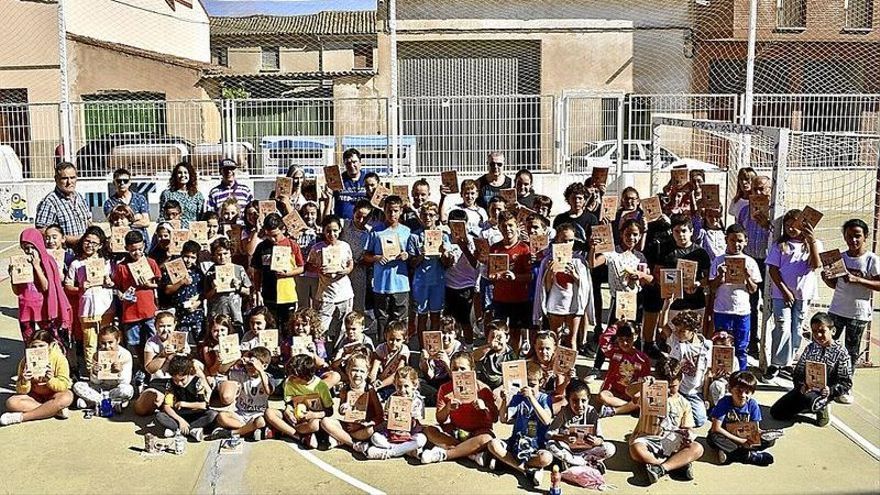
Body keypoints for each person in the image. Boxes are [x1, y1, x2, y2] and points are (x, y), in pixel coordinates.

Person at [822, 218, 880, 401]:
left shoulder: (871, 259)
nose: (853, 240)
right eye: (849, 236)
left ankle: (845, 387)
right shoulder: (840, 258)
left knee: (851, 352)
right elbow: (835, 284)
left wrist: (859, 280)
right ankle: (824, 383)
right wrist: (826, 278)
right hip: (837, 310)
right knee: (827, 347)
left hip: (858, 314)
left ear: (865, 237)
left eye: (857, 236)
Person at [765, 209, 822, 380]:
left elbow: (815, 264)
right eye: (787, 225)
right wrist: (784, 291)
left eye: (794, 225)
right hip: (781, 294)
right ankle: (776, 363)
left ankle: (788, 362)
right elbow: (773, 270)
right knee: (782, 325)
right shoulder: (780, 245)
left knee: (797, 327)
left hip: (803, 294)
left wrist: (811, 242)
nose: (790, 228)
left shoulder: (813, 244)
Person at [629, 357, 704, 485]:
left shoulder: (684, 403)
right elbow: (629, 392)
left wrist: (688, 435)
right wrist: (643, 384)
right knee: (636, 450)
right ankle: (676, 464)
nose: (669, 390)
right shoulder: (650, 393)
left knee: (698, 448)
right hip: (648, 438)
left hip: (671, 440)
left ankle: (661, 468)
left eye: (673, 386)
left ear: (681, 380)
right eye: (666, 386)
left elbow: (687, 428)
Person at [770, 312, 852, 427]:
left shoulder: (841, 353)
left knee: (811, 403)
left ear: (832, 331)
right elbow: (798, 371)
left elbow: (846, 382)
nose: (818, 335)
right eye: (814, 332)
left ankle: (822, 407)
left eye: (822, 331)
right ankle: (806, 406)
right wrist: (801, 384)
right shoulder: (810, 348)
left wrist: (831, 390)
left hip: (825, 391)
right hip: (806, 388)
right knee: (776, 413)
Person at [420, 352, 499, 465]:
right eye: (455, 369)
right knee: (429, 430)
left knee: (486, 439)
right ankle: (470, 453)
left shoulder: (483, 389)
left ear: (472, 370)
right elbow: (440, 419)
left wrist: (484, 407)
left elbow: (495, 418)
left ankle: (445, 454)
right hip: (455, 430)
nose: (459, 372)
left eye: (463, 368)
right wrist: (447, 408)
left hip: (478, 432)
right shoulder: (445, 388)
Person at [486, 361, 554, 486]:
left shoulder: (544, 398)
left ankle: (506, 462)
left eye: (532, 385)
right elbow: (504, 419)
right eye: (526, 384)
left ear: (541, 382)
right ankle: (526, 470)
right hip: (516, 442)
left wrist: (531, 398)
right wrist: (505, 401)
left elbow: (546, 420)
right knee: (492, 444)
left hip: (536, 445)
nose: (528, 388)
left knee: (546, 458)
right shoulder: (518, 397)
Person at [710, 224, 762, 371]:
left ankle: (741, 376)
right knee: (721, 345)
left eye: (739, 240)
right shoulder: (719, 261)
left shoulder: (750, 262)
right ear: (726, 240)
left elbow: (753, 289)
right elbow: (712, 287)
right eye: (732, 240)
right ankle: (721, 375)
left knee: (741, 347)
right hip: (722, 310)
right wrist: (720, 275)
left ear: (746, 241)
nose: (736, 244)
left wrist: (747, 277)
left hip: (742, 312)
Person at [64, 226, 114, 376]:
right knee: (90, 343)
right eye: (87, 241)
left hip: (106, 306)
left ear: (100, 246)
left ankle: (110, 370)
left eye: (94, 243)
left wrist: (109, 282)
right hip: (87, 308)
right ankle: (93, 372)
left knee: (108, 340)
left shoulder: (105, 262)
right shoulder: (76, 264)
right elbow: (68, 286)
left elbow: (112, 281)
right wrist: (80, 288)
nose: (90, 245)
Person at [11, 227, 73, 347]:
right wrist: (13, 277)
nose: (29, 251)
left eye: (32, 247)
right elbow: (17, 291)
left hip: (43, 307)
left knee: (51, 339)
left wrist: (37, 266)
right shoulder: (21, 263)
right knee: (29, 341)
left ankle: (55, 362)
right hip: (26, 307)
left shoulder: (47, 261)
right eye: (25, 248)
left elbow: (46, 287)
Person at [113, 231, 161, 384]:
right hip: (131, 312)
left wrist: (149, 285)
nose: (137, 252)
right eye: (133, 249)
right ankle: (143, 366)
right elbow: (118, 287)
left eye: (140, 248)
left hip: (149, 310)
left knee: (154, 339)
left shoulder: (151, 262)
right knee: (135, 342)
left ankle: (154, 368)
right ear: (126, 248)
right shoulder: (121, 267)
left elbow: (159, 283)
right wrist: (120, 294)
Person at [535, 224, 594, 348]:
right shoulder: (548, 260)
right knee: (555, 339)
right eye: (564, 240)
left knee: (572, 340)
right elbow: (545, 288)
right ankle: (554, 365)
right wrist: (550, 273)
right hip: (556, 304)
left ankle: (571, 367)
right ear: (557, 240)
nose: (567, 243)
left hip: (574, 304)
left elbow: (585, 287)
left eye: (570, 240)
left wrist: (574, 275)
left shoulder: (579, 261)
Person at [1, 330, 74, 427]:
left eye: (41, 346)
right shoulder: (25, 361)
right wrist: (25, 380)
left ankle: (21, 417)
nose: (37, 350)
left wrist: (50, 380)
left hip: (54, 394)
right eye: (34, 347)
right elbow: (20, 391)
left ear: (50, 345)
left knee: (66, 397)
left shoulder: (59, 359)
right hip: (35, 397)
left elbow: (63, 385)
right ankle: (54, 410)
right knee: (11, 402)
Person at [363, 196, 411, 335]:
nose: (392, 214)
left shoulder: (406, 231)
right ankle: (382, 351)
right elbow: (366, 255)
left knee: (400, 321)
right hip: (381, 284)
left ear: (401, 211)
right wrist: (376, 258)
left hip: (401, 283)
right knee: (382, 320)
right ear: (384, 210)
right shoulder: (375, 231)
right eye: (389, 210)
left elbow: (412, 255)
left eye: (396, 211)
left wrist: (406, 255)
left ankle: (400, 353)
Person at [264, 354, 334, 448]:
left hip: (310, 419)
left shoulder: (320, 386)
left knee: (315, 425)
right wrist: (288, 411)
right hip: (295, 417)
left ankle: (283, 430)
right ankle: (297, 436)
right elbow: (289, 403)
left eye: (294, 377)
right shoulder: (289, 382)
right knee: (269, 412)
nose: (290, 378)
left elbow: (329, 411)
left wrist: (314, 415)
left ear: (305, 376)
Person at [546, 379, 616, 472]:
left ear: (588, 399)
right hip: (568, 449)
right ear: (568, 400)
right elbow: (549, 434)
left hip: (587, 450)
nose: (579, 405)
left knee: (610, 448)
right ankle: (587, 463)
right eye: (575, 401)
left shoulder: (591, 412)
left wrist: (596, 441)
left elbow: (600, 437)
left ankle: (578, 462)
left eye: (583, 401)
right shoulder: (563, 413)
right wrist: (564, 437)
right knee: (551, 445)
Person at [707, 371, 775, 466]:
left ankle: (730, 454)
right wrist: (740, 441)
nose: (743, 395)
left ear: (752, 393)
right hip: (727, 435)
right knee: (713, 438)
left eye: (747, 392)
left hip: (744, 436)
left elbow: (755, 429)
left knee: (769, 440)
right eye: (739, 391)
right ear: (730, 389)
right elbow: (716, 428)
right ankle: (749, 456)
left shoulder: (753, 405)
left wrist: (763, 433)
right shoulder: (724, 402)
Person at [321, 351, 384, 452]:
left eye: (361, 371)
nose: (358, 374)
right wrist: (343, 407)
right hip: (349, 426)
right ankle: (352, 444)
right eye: (354, 370)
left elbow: (380, 415)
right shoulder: (345, 389)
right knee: (325, 422)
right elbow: (341, 411)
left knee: (370, 430)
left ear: (367, 373)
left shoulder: (370, 390)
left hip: (363, 428)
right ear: (348, 370)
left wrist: (367, 423)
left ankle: (341, 439)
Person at [251, 213, 305, 331]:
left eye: (275, 235)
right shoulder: (262, 247)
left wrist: (288, 273)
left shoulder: (292, 245)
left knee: (288, 327)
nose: (272, 239)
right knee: (271, 327)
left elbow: (301, 268)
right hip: (268, 294)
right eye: (269, 235)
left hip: (287, 294)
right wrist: (257, 290)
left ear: (283, 229)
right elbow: (257, 271)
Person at [489, 211, 533, 351]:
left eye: (510, 225)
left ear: (517, 227)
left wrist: (515, 277)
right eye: (503, 226)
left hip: (519, 299)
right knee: (498, 332)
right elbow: (491, 273)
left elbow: (531, 276)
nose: (507, 229)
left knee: (515, 333)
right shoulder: (495, 248)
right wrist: (493, 277)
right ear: (499, 228)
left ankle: (514, 360)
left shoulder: (524, 249)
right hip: (500, 298)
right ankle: (499, 359)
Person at [361, 366, 427, 459]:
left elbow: (418, 423)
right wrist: (388, 416)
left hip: (409, 435)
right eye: (399, 386)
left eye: (406, 386)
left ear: (415, 385)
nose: (402, 390)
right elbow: (386, 419)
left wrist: (409, 417)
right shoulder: (392, 398)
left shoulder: (418, 401)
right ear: (395, 385)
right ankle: (404, 451)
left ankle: (390, 452)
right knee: (375, 437)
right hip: (391, 435)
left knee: (421, 440)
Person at [407, 202, 449, 341]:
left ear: (436, 216)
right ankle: (422, 348)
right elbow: (412, 263)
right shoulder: (414, 236)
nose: (428, 218)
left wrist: (444, 254)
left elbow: (447, 264)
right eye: (424, 214)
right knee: (422, 316)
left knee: (436, 315)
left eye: (431, 215)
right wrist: (421, 255)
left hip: (438, 280)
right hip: (421, 282)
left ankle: (434, 347)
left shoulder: (443, 236)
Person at [662, 310, 712, 427]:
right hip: (677, 390)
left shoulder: (706, 346)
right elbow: (663, 326)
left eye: (682, 331)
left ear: (693, 331)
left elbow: (707, 373)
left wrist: (705, 398)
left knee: (700, 420)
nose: (678, 333)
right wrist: (667, 305)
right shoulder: (676, 341)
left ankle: (683, 415)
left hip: (694, 392)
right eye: (677, 330)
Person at [214, 347, 274, 441]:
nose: (249, 367)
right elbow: (221, 371)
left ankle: (233, 433)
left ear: (265, 366)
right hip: (241, 414)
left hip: (258, 414)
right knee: (221, 416)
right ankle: (248, 430)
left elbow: (268, 391)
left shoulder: (267, 377)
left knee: (261, 422)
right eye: (248, 364)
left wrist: (260, 370)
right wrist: (236, 361)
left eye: (252, 365)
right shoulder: (241, 375)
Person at [72, 325, 133, 412]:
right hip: (100, 388)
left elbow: (125, 382)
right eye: (103, 343)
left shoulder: (125, 355)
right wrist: (95, 373)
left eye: (110, 342)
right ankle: (108, 403)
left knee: (127, 390)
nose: (107, 346)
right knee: (77, 386)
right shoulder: (97, 355)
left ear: (118, 340)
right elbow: (95, 382)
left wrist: (120, 372)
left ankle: (94, 403)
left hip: (116, 388)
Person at [155, 355, 217, 441]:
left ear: (188, 373)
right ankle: (190, 431)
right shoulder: (170, 384)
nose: (179, 383)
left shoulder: (197, 382)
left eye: (182, 380)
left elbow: (204, 405)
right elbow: (167, 406)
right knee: (160, 416)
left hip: (196, 414)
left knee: (212, 415)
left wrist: (184, 404)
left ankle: (179, 431)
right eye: (176, 380)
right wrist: (180, 420)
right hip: (179, 415)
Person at [134, 311, 181, 416]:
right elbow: (149, 369)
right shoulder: (151, 343)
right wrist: (162, 355)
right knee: (141, 409)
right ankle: (162, 403)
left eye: (169, 326)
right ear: (155, 326)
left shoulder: (181, 339)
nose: (166, 329)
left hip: (179, 380)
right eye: (162, 326)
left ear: (175, 325)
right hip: (159, 381)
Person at [598, 323, 650, 416]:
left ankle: (617, 410)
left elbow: (644, 381)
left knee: (641, 398)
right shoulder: (614, 352)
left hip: (631, 395)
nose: (624, 343)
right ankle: (630, 408)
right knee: (602, 396)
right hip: (613, 392)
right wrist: (616, 325)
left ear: (635, 337)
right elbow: (603, 341)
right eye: (621, 340)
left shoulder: (642, 359)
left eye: (628, 340)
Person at [34, 162, 91, 247]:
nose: (69, 182)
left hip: (82, 252)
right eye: (64, 178)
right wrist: (71, 239)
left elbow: (88, 222)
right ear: (56, 179)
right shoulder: (50, 202)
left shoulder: (79, 197)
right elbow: (41, 231)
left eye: (72, 178)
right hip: (63, 254)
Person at [204, 237, 252, 336]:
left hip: (234, 314)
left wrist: (238, 287)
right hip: (217, 314)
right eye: (219, 254)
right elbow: (206, 295)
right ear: (214, 255)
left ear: (230, 253)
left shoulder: (239, 269)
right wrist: (214, 289)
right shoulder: (211, 272)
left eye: (225, 253)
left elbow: (247, 291)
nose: (222, 257)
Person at [161, 241, 204, 339]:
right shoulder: (173, 270)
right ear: (181, 254)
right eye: (186, 256)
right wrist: (181, 282)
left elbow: (203, 292)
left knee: (200, 341)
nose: (188, 260)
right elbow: (167, 290)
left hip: (196, 314)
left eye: (193, 258)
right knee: (181, 344)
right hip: (180, 315)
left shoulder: (198, 272)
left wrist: (197, 302)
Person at [340, 199, 374, 315]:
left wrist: (363, 261)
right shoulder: (344, 224)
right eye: (358, 216)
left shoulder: (370, 232)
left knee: (357, 303)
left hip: (359, 271)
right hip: (341, 269)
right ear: (353, 212)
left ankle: (356, 328)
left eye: (365, 218)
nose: (361, 220)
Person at [103, 168, 150, 245]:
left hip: (141, 243)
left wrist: (126, 223)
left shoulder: (140, 198)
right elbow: (115, 226)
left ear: (130, 182)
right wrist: (136, 218)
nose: (122, 183)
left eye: (125, 181)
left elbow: (146, 222)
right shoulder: (109, 203)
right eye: (118, 181)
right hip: (121, 243)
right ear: (114, 182)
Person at [369, 321, 411, 400]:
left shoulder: (404, 350)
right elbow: (374, 369)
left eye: (398, 340)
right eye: (391, 339)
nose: (394, 343)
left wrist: (380, 385)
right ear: (386, 336)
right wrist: (372, 382)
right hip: (381, 380)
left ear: (404, 339)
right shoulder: (381, 348)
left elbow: (397, 373)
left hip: (397, 383)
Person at [159, 162, 204, 228]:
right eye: (180, 173)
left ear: (190, 175)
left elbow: (200, 218)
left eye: (186, 173)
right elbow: (162, 217)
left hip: (192, 233)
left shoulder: (197, 195)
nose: (183, 175)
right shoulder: (167, 194)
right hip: (172, 231)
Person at [332, 148, 368, 219]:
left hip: (364, 221)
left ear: (360, 162)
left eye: (354, 162)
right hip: (343, 221)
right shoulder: (338, 180)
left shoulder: (368, 179)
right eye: (348, 163)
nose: (351, 165)